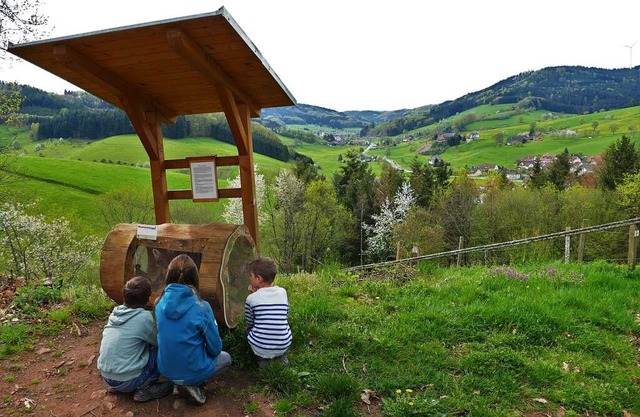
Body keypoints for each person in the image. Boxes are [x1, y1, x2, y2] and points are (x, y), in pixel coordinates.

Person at [154, 254, 232, 405]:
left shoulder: (158, 303)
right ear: (195, 277)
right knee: (226, 358)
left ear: (168, 275)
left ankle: (178, 383)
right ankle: (193, 385)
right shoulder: (202, 307)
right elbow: (215, 349)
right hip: (193, 371)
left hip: (165, 369)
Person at [97, 276, 173, 402]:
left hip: (106, 377)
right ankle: (145, 388)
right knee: (159, 350)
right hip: (129, 380)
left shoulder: (115, 313)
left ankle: (117, 386)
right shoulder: (144, 318)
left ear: (124, 297)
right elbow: (159, 342)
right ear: (148, 298)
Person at [245, 257, 292, 367]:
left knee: (248, 329)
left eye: (251, 275)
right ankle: (280, 356)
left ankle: (262, 359)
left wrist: (252, 295)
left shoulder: (251, 299)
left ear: (259, 279)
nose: (249, 278)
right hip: (284, 343)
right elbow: (285, 314)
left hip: (261, 347)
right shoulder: (282, 292)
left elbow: (250, 322)